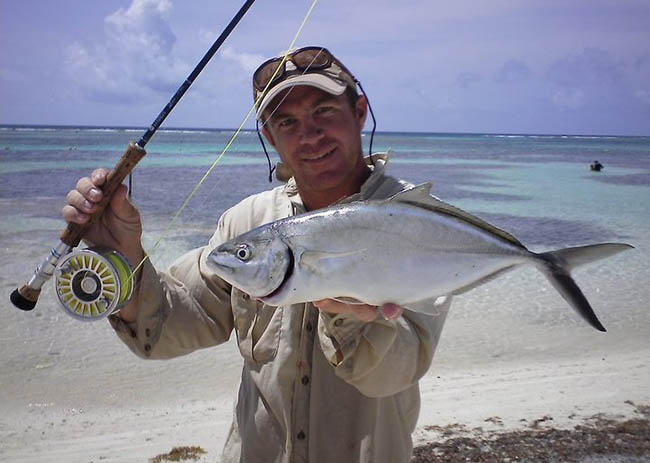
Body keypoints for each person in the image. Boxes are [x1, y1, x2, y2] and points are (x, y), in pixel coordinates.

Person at [63, 46, 451, 463]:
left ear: (359, 112)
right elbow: (173, 324)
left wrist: (351, 317)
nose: (309, 135)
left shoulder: (419, 223)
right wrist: (123, 257)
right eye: (287, 121)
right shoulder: (246, 222)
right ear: (269, 135)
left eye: (323, 111)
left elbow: (395, 371)